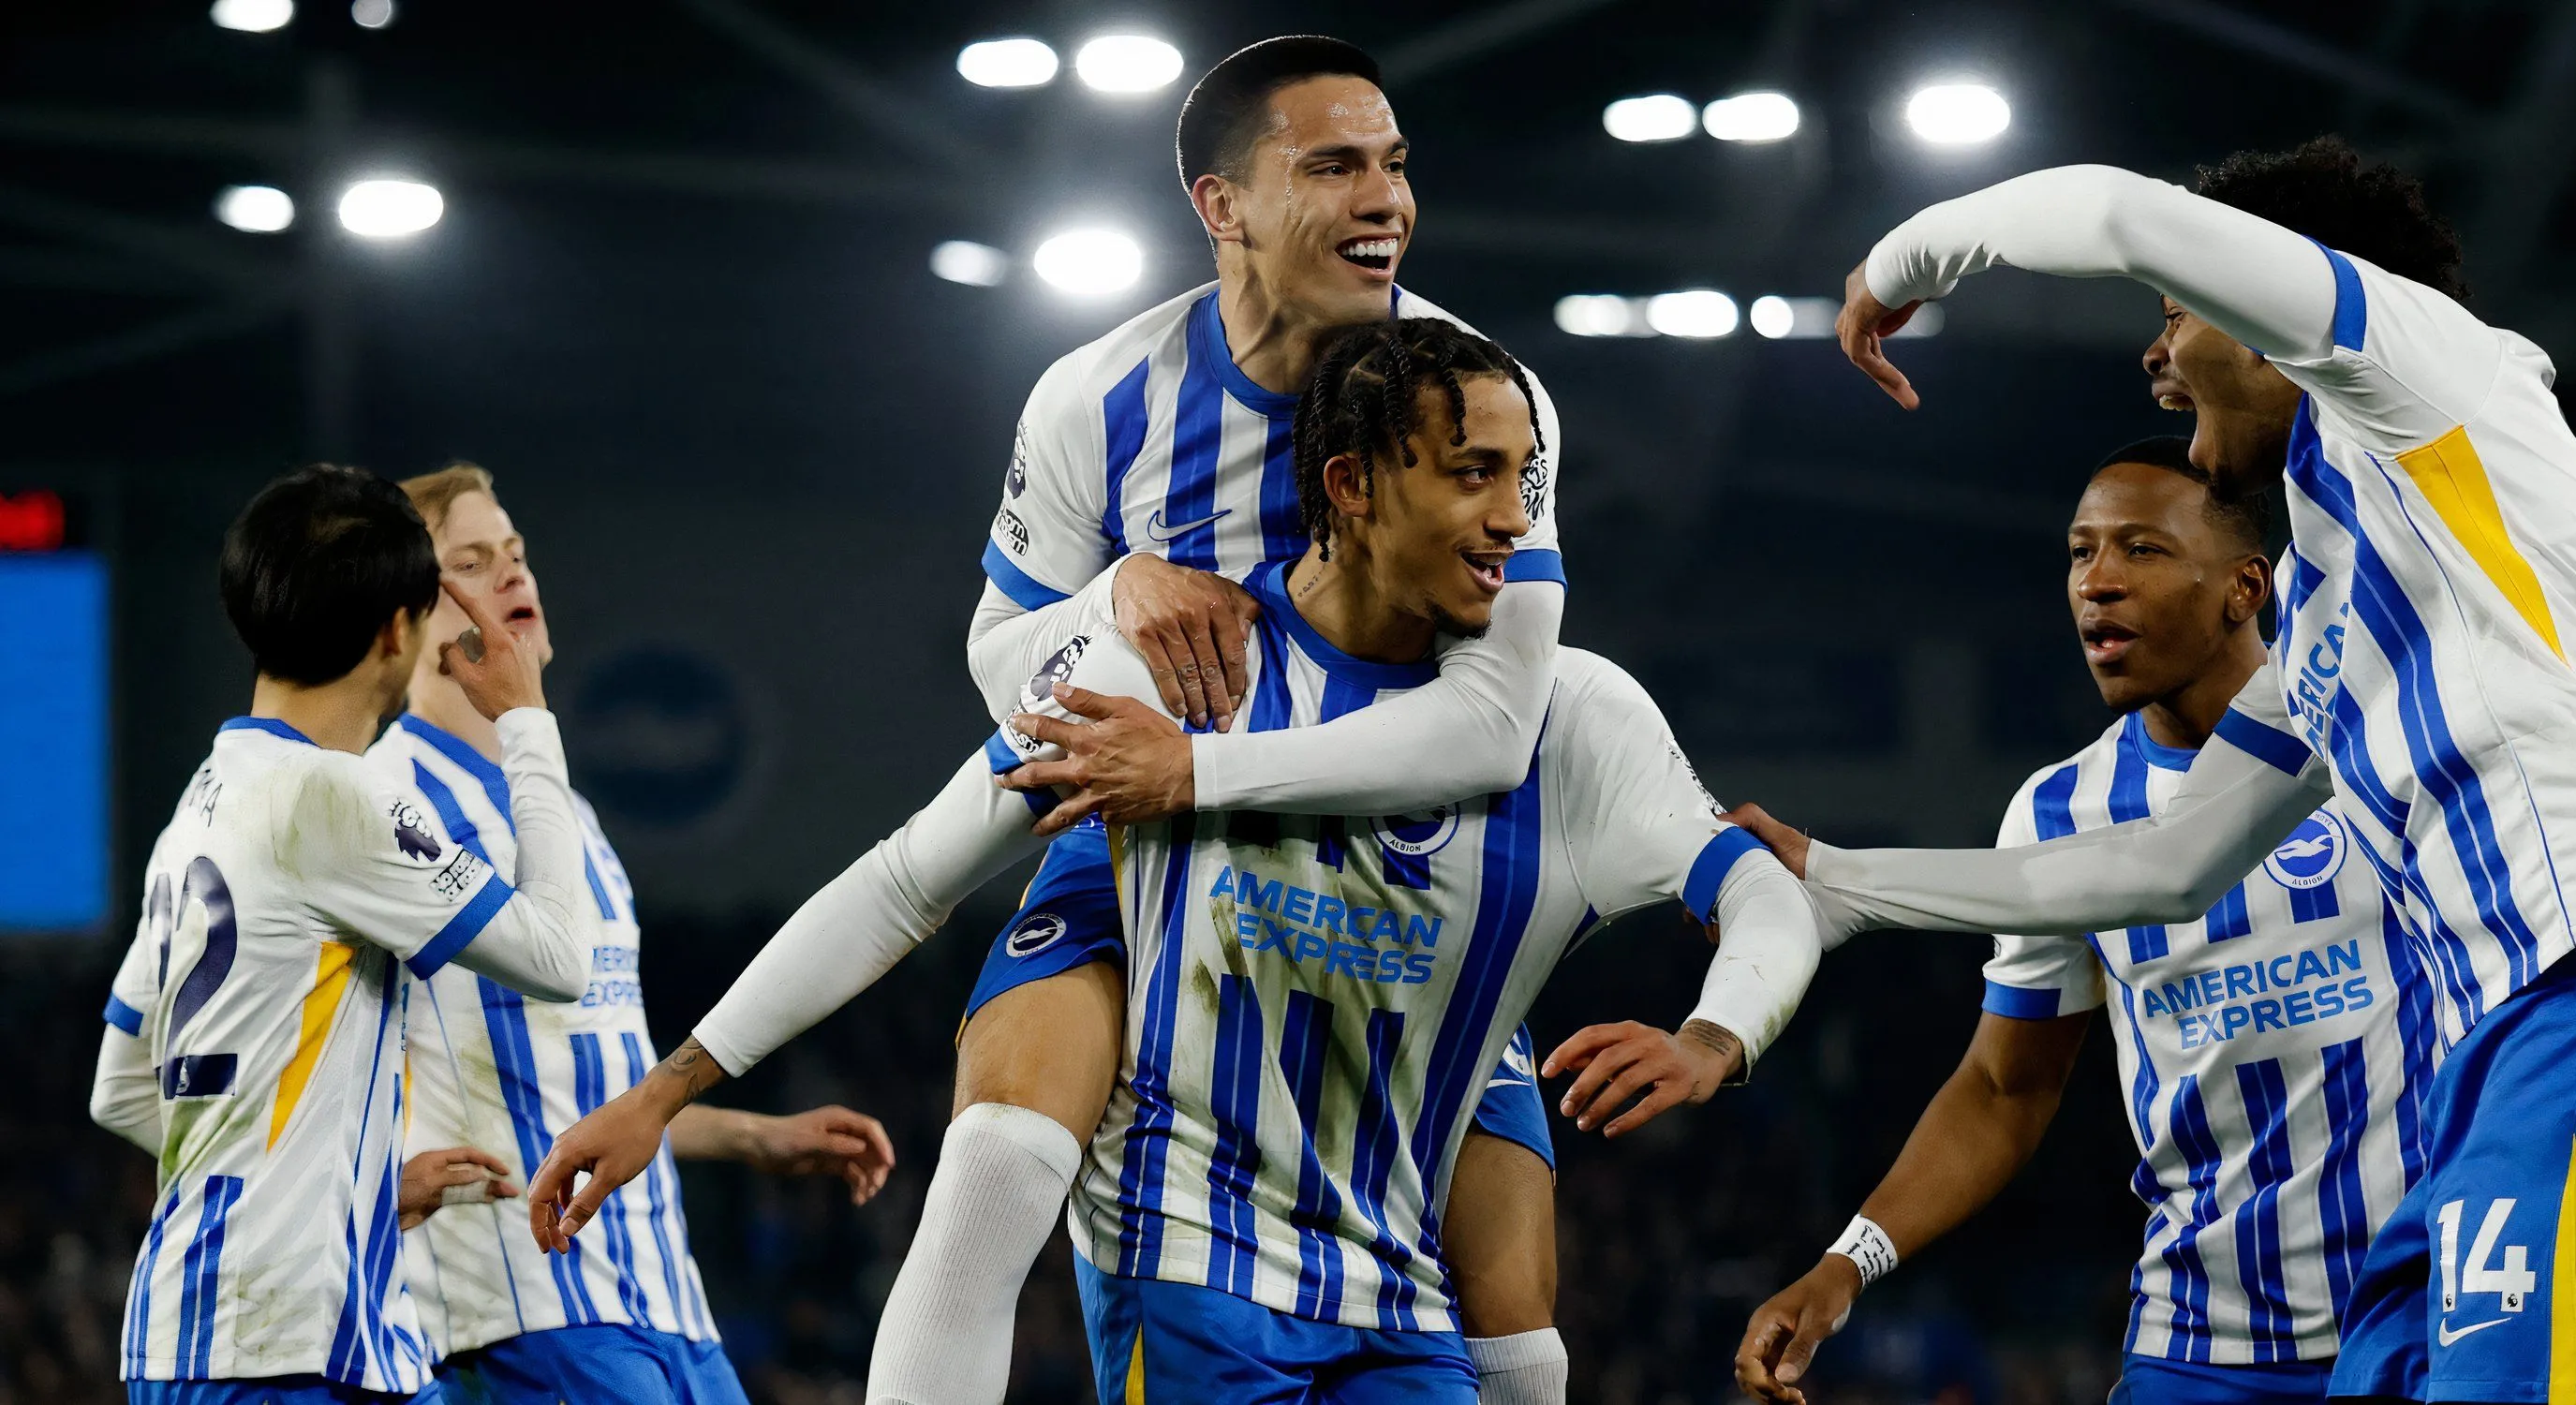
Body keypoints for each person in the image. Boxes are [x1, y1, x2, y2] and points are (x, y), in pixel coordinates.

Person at [526, 318, 1818, 1403]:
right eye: (1472, 476)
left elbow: (1763, 891)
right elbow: (909, 876)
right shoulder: (1171, 675)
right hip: (1194, 1277)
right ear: (1353, 485)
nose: (1512, 523)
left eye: (1524, 481)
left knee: (1527, 1340)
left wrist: (1716, 1037)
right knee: (995, 1158)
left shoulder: (1575, 720)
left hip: (1399, 1309)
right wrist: (668, 1088)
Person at [1807, 139, 2576, 1403]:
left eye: (2179, 315)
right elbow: (2164, 865)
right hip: (2501, 1053)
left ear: (2269, 300)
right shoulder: (2326, 608)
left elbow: (2115, 207)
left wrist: (1900, 264)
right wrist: (1841, 878)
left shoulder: (2436, 373)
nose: (2156, 357)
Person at [943, 35, 1573, 1405]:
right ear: (1220, 205)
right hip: (1150, 854)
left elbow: (1496, 729)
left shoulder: (1489, 403)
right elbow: (1000, 660)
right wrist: (1114, 591)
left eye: (1395, 165)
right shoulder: (1099, 398)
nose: (1385, 199)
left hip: (1403, 867)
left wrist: (1201, 769)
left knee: (1514, 1325)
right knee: (996, 1156)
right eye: (1334, 166)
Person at [1730, 436, 2434, 1405]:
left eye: (2141, 549)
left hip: (2429, 1318)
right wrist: (1845, 1265)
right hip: (2203, 1344)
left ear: (2246, 588)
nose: (2097, 583)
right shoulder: (2058, 812)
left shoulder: (2377, 746)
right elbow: (2004, 1087)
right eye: (2079, 552)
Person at [372, 463, 898, 1405]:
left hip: (667, 1302)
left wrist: (755, 1138)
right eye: (473, 562)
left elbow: (593, 1085)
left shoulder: (567, 812)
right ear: (404, 616)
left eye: (517, 554)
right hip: (525, 1309)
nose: (513, 574)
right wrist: (370, 1187)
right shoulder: (383, 802)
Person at [88, 464, 600, 1403]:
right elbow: (560, 956)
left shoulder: (200, 806)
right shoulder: (334, 798)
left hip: (207, 1331)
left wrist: (350, 1185)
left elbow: (120, 1089)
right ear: (396, 631)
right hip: (282, 1350)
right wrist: (528, 722)